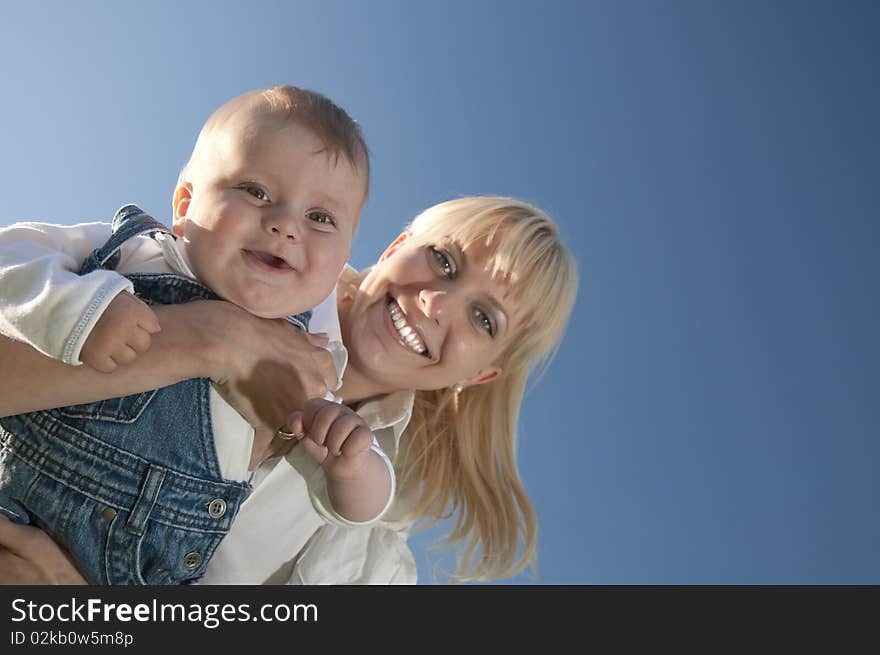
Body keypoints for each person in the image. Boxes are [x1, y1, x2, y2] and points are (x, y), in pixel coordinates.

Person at [0, 196, 578, 584]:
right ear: (397, 245)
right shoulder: (210, 267)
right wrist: (206, 340)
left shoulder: (372, 555)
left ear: (480, 376)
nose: (438, 301)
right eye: (444, 260)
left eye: (485, 320)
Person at [0, 85, 396, 585]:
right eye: (256, 192)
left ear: (340, 262)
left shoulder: (302, 359)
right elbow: (11, 258)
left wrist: (353, 466)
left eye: (320, 218)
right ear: (186, 203)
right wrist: (84, 311)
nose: (284, 225)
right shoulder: (133, 251)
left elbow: (355, 504)